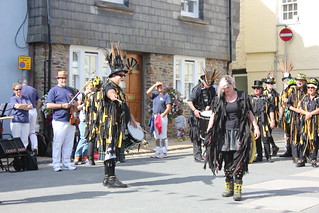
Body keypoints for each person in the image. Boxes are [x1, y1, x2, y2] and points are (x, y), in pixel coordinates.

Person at [205, 75, 260, 201]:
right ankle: (228, 186)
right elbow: (214, 115)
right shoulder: (219, 98)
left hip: (239, 133)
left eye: (228, 87)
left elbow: (249, 112)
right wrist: (209, 129)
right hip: (224, 134)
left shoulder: (242, 96)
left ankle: (237, 188)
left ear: (233, 84)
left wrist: (256, 127)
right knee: (227, 161)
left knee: (239, 161)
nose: (226, 90)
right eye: (223, 88)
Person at [100, 43, 138, 188]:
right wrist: (113, 97)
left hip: (117, 123)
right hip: (110, 124)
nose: (123, 77)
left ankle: (107, 177)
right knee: (111, 151)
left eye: (123, 75)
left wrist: (132, 119)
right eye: (121, 75)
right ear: (113, 75)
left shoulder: (117, 88)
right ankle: (111, 178)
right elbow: (110, 94)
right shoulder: (109, 87)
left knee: (112, 151)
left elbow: (125, 106)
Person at [46, 71, 79, 172]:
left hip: (71, 119)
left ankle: (66, 162)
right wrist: (62, 105)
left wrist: (74, 103)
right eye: (61, 78)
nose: (63, 80)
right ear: (58, 79)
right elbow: (49, 105)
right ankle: (56, 164)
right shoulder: (53, 90)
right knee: (58, 142)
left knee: (69, 143)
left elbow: (77, 103)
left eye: (65, 78)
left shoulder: (70, 90)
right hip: (59, 119)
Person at [187, 68, 219, 163]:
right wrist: (195, 110)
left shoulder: (212, 90)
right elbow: (189, 101)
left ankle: (209, 155)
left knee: (208, 135)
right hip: (196, 116)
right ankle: (197, 156)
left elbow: (214, 100)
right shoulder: (197, 89)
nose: (209, 86)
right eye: (207, 84)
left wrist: (210, 105)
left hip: (206, 115)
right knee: (196, 135)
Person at [250, 80, 276, 162]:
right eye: (255, 88)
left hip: (264, 120)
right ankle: (259, 156)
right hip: (254, 120)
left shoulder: (266, 99)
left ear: (261, 89)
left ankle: (268, 157)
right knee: (257, 139)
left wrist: (272, 121)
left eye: (258, 88)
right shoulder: (250, 98)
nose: (256, 90)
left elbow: (271, 110)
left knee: (266, 139)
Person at [297, 78, 319, 167]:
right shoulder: (304, 97)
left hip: (315, 123)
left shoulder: (318, 98)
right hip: (305, 123)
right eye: (309, 87)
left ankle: (313, 158)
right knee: (303, 139)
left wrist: (311, 114)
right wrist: (306, 113)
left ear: (316, 88)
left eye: (312, 88)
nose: (310, 89)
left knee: (314, 141)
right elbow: (299, 108)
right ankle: (302, 159)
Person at [287, 73, 307, 167]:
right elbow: (288, 105)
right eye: (298, 80)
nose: (300, 82)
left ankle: (303, 156)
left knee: (304, 137)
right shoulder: (293, 91)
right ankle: (296, 157)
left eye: (301, 80)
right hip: (295, 117)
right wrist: (296, 110)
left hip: (305, 118)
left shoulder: (307, 92)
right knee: (295, 137)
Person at [147, 81, 172, 158]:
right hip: (155, 116)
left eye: (161, 86)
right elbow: (148, 92)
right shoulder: (155, 95)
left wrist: (162, 115)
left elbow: (168, 107)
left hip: (162, 116)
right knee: (157, 135)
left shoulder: (166, 96)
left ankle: (164, 151)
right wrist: (154, 85)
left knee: (163, 133)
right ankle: (158, 151)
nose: (160, 87)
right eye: (158, 86)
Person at [18, 78, 42, 154]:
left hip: (24, 111)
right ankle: (35, 146)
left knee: (23, 131)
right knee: (32, 131)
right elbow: (39, 101)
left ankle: (23, 148)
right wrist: (36, 109)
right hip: (33, 110)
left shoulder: (19, 90)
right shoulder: (33, 89)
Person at [73, 82, 94, 165]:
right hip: (83, 119)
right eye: (89, 88)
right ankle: (77, 155)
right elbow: (77, 107)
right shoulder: (82, 95)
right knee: (83, 137)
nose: (90, 90)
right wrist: (84, 105)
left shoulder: (93, 96)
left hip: (91, 119)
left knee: (88, 138)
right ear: (86, 88)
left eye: (92, 89)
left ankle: (84, 156)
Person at [10, 83, 33, 148]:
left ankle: (23, 153)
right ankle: (17, 155)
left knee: (25, 139)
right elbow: (16, 106)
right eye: (17, 90)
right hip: (16, 120)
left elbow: (31, 106)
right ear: (14, 90)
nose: (18, 91)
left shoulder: (25, 98)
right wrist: (25, 105)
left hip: (25, 120)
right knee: (16, 139)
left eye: (20, 89)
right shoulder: (13, 98)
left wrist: (21, 106)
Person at [262, 77, 280, 156]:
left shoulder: (275, 93)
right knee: (267, 132)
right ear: (266, 84)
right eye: (269, 83)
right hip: (266, 115)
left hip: (274, 114)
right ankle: (274, 146)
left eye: (272, 84)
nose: (270, 85)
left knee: (269, 132)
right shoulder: (264, 92)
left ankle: (274, 146)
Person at [279, 73, 294, 157]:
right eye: (284, 80)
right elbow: (281, 104)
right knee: (287, 134)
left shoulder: (293, 90)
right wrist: (281, 115)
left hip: (292, 115)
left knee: (294, 133)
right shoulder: (282, 92)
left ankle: (295, 151)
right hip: (286, 115)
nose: (286, 82)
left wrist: (288, 100)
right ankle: (288, 150)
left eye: (287, 80)